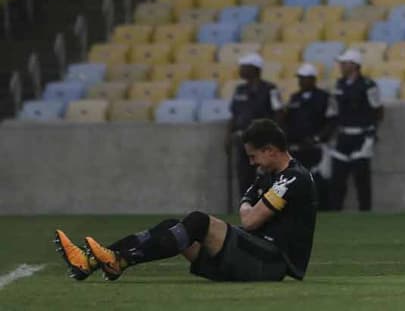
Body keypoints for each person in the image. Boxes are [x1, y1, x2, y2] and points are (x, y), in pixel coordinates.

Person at [54, 119, 317, 282]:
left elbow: (248, 220)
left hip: (270, 261)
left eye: (253, 156)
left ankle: (117, 260)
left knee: (199, 221)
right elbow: (248, 202)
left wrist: (247, 203)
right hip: (254, 255)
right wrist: (249, 201)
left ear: (270, 150)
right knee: (172, 225)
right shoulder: (273, 176)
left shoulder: (293, 178)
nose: (251, 163)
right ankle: (95, 262)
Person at [329, 49, 383, 211]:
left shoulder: (368, 85)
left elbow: (377, 110)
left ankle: (365, 212)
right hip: (343, 135)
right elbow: (334, 110)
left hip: (361, 135)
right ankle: (335, 212)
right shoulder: (339, 84)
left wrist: (372, 132)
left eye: (344, 63)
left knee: (362, 177)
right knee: (338, 178)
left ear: (354, 65)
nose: (341, 66)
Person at [226, 53, 285, 196]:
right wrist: (227, 135)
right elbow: (234, 115)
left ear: (255, 69)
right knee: (244, 177)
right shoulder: (239, 90)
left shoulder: (271, 89)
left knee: (266, 175)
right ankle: (246, 207)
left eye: (244, 67)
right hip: (244, 141)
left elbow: (279, 113)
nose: (241, 70)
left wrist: (273, 137)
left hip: (263, 141)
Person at [284, 63, 336, 210]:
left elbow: (331, 122)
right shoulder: (294, 98)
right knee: (298, 180)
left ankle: (324, 209)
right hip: (298, 147)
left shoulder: (324, 97)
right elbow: (287, 120)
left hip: (317, 146)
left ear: (313, 79)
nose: (300, 81)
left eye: (304, 78)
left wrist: (317, 138)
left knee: (320, 179)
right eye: (299, 78)